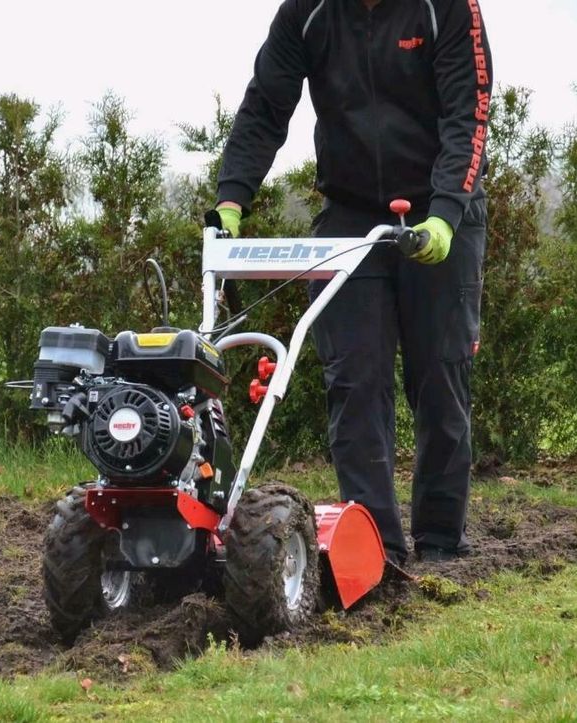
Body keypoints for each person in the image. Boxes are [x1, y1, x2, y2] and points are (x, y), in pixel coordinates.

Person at [213, 0, 492, 564]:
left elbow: (470, 113)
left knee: (440, 376)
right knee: (355, 381)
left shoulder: (448, 8)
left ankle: (440, 543)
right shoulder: (307, 12)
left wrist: (443, 213)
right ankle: (375, 554)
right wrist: (230, 200)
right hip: (350, 214)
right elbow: (266, 106)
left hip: (441, 209)